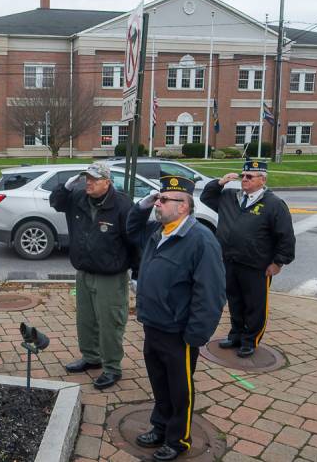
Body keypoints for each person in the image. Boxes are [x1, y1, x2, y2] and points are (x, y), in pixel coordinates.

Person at [127, 176, 226, 461]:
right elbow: (131, 229)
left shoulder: (200, 240)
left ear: (183, 206)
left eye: (163, 200)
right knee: (159, 382)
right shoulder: (160, 231)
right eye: (158, 199)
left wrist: (195, 335)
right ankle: (159, 426)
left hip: (179, 332)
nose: (158, 203)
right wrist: (144, 203)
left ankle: (178, 439)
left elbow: (211, 293)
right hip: (153, 324)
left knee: (180, 388)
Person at [49, 162, 138, 390]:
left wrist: (137, 272)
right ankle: (91, 357)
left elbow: (135, 240)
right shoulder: (78, 197)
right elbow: (56, 203)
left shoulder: (121, 204)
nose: (88, 182)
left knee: (110, 323)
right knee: (86, 320)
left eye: (94, 179)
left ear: (107, 182)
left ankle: (112, 368)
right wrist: (66, 187)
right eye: (86, 178)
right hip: (84, 271)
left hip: (111, 275)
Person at [200, 160, 295, 357]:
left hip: (256, 265)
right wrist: (220, 182)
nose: (244, 179)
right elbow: (207, 197)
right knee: (235, 301)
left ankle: (250, 340)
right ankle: (235, 334)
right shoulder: (230, 196)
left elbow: (285, 235)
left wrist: (278, 262)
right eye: (243, 175)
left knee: (255, 304)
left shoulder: (274, 204)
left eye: (249, 176)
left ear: (262, 179)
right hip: (230, 261)